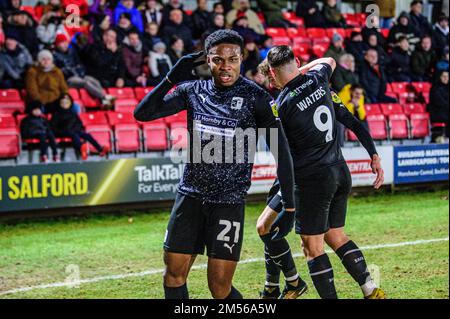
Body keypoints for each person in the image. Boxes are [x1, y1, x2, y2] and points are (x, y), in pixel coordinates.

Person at [134, 29, 296, 300]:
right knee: (173, 275)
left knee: (219, 288)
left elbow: (282, 153)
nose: (225, 66)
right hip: (190, 197)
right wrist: (171, 77)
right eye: (218, 59)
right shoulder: (192, 91)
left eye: (232, 59)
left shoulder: (256, 98)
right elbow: (142, 113)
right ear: (207, 60)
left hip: (228, 202)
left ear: (242, 58)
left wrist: (289, 206)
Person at [266, 45, 386, 299]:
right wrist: (373, 155)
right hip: (340, 171)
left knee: (312, 248)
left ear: (273, 74)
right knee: (335, 236)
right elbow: (330, 59)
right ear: (297, 61)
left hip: (313, 180)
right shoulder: (319, 80)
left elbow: (284, 155)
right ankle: (371, 290)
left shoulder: (282, 105)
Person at [53, 33, 115, 108]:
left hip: (79, 75)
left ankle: (103, 101)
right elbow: (62, 70)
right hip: (68, 79)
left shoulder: (72, 52)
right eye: (62, 43)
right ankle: (104, 97)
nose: (65, 45)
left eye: (66, 42)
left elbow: (79, 64)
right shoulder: (55, 55)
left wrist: (80, 73)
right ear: (57, 44)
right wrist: (75, 72)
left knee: (93, 80)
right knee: (85, 82)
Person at [51, 93, 109, 160]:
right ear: (60, 103)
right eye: (63, 102)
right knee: (75, 135)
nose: (65, 104)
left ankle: (100, 149)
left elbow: (79, 123)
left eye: (66, 102)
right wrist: (62, 130)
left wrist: (76, 129)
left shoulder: (73, 113)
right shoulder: (57, 113)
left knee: (86, 134)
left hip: (73, 130)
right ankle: (81, 149)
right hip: (62, 132)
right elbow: (54, 126)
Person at [25, 49, 68, 114]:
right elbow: (32, 91)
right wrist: (39, 101)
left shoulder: (57, 71)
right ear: (39, 61)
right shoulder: (32, 72)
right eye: (43, 59)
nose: (46, 61)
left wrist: (64, 98)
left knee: (75, 107)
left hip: (56, 100)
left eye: (48, 59)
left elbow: (64, 88)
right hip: (41, 102)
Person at [428, 70, 449, 142]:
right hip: (437, 112)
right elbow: (440, 102)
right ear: (440, 77)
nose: (446, 78)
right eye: (444, 76)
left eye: (447, 76)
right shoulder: (435, 88)